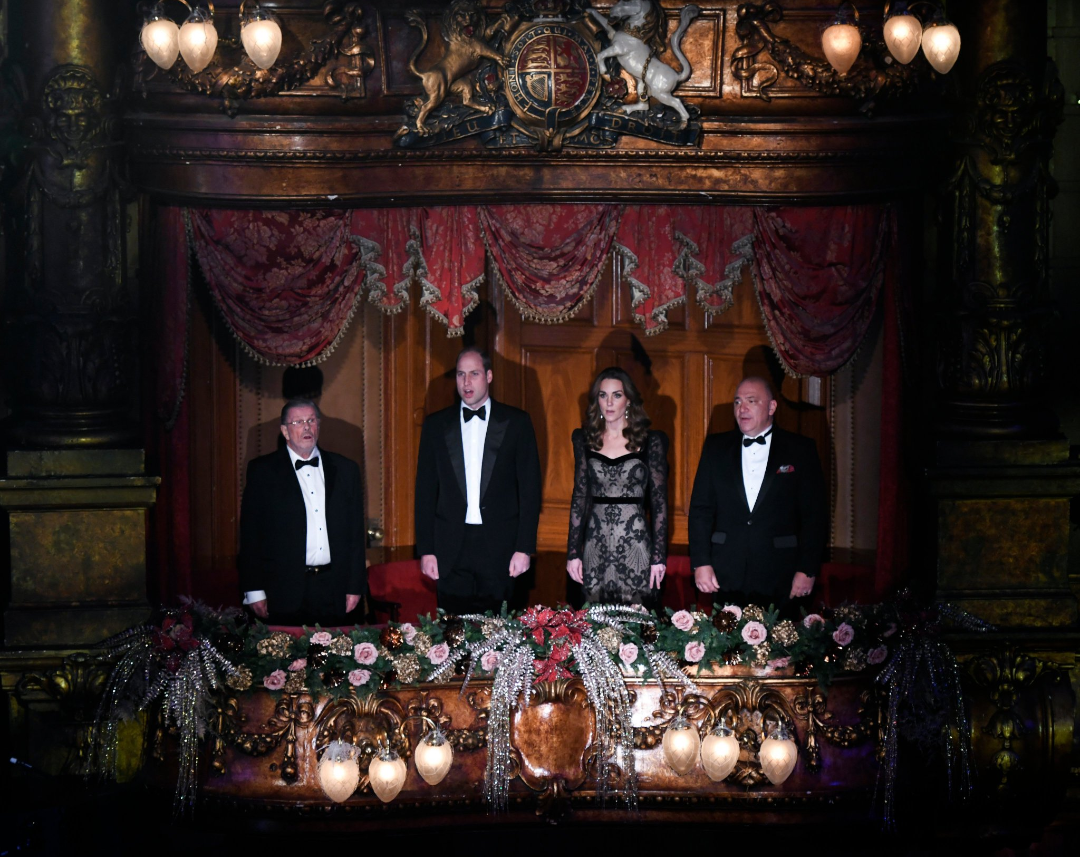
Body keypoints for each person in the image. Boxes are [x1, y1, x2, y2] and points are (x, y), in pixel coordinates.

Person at [414, 347, 542, 614]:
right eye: (461, 374)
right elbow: (424, 492)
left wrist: (524, 548)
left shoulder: (517, 422)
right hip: (451, 549)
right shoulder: (436, 425)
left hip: (501, 548)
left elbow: (530, 490)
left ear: (489, 376)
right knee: (451, 631)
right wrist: (426, 550)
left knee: (501, 631)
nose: (466, 382)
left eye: (474, 374)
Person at [688, 376, 827, 611]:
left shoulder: (801, 449)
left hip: (781, 573)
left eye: (751, 401)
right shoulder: (715, 447)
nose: (742, 408)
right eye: (737, 402)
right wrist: (701, 562)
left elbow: (815, 516)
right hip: (725, 572)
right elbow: (701, 510)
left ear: (772, 407)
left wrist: (807, 569)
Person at [239, 399, 366, 626]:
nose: (306, 427)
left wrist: (355, 586)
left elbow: (356, 534)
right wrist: (254, 590)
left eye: (311, 420)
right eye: (298, 422)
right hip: (283, 590)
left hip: (334, 589)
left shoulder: (346, 469)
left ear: (318, 425)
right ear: (285, 431)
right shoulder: (262, 472)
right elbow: (251, 535)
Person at [566, 367, 668, 607]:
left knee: (637, 620)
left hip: (636, 545)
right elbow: (580, 497)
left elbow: (659, 502)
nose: (609, 403)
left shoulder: (651, 441)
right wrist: (573, 553)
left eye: (617, 395)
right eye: (603, 395)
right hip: (595, 545)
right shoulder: (584, 439)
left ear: (628, 399)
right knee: (593, 619)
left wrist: (658, 557)